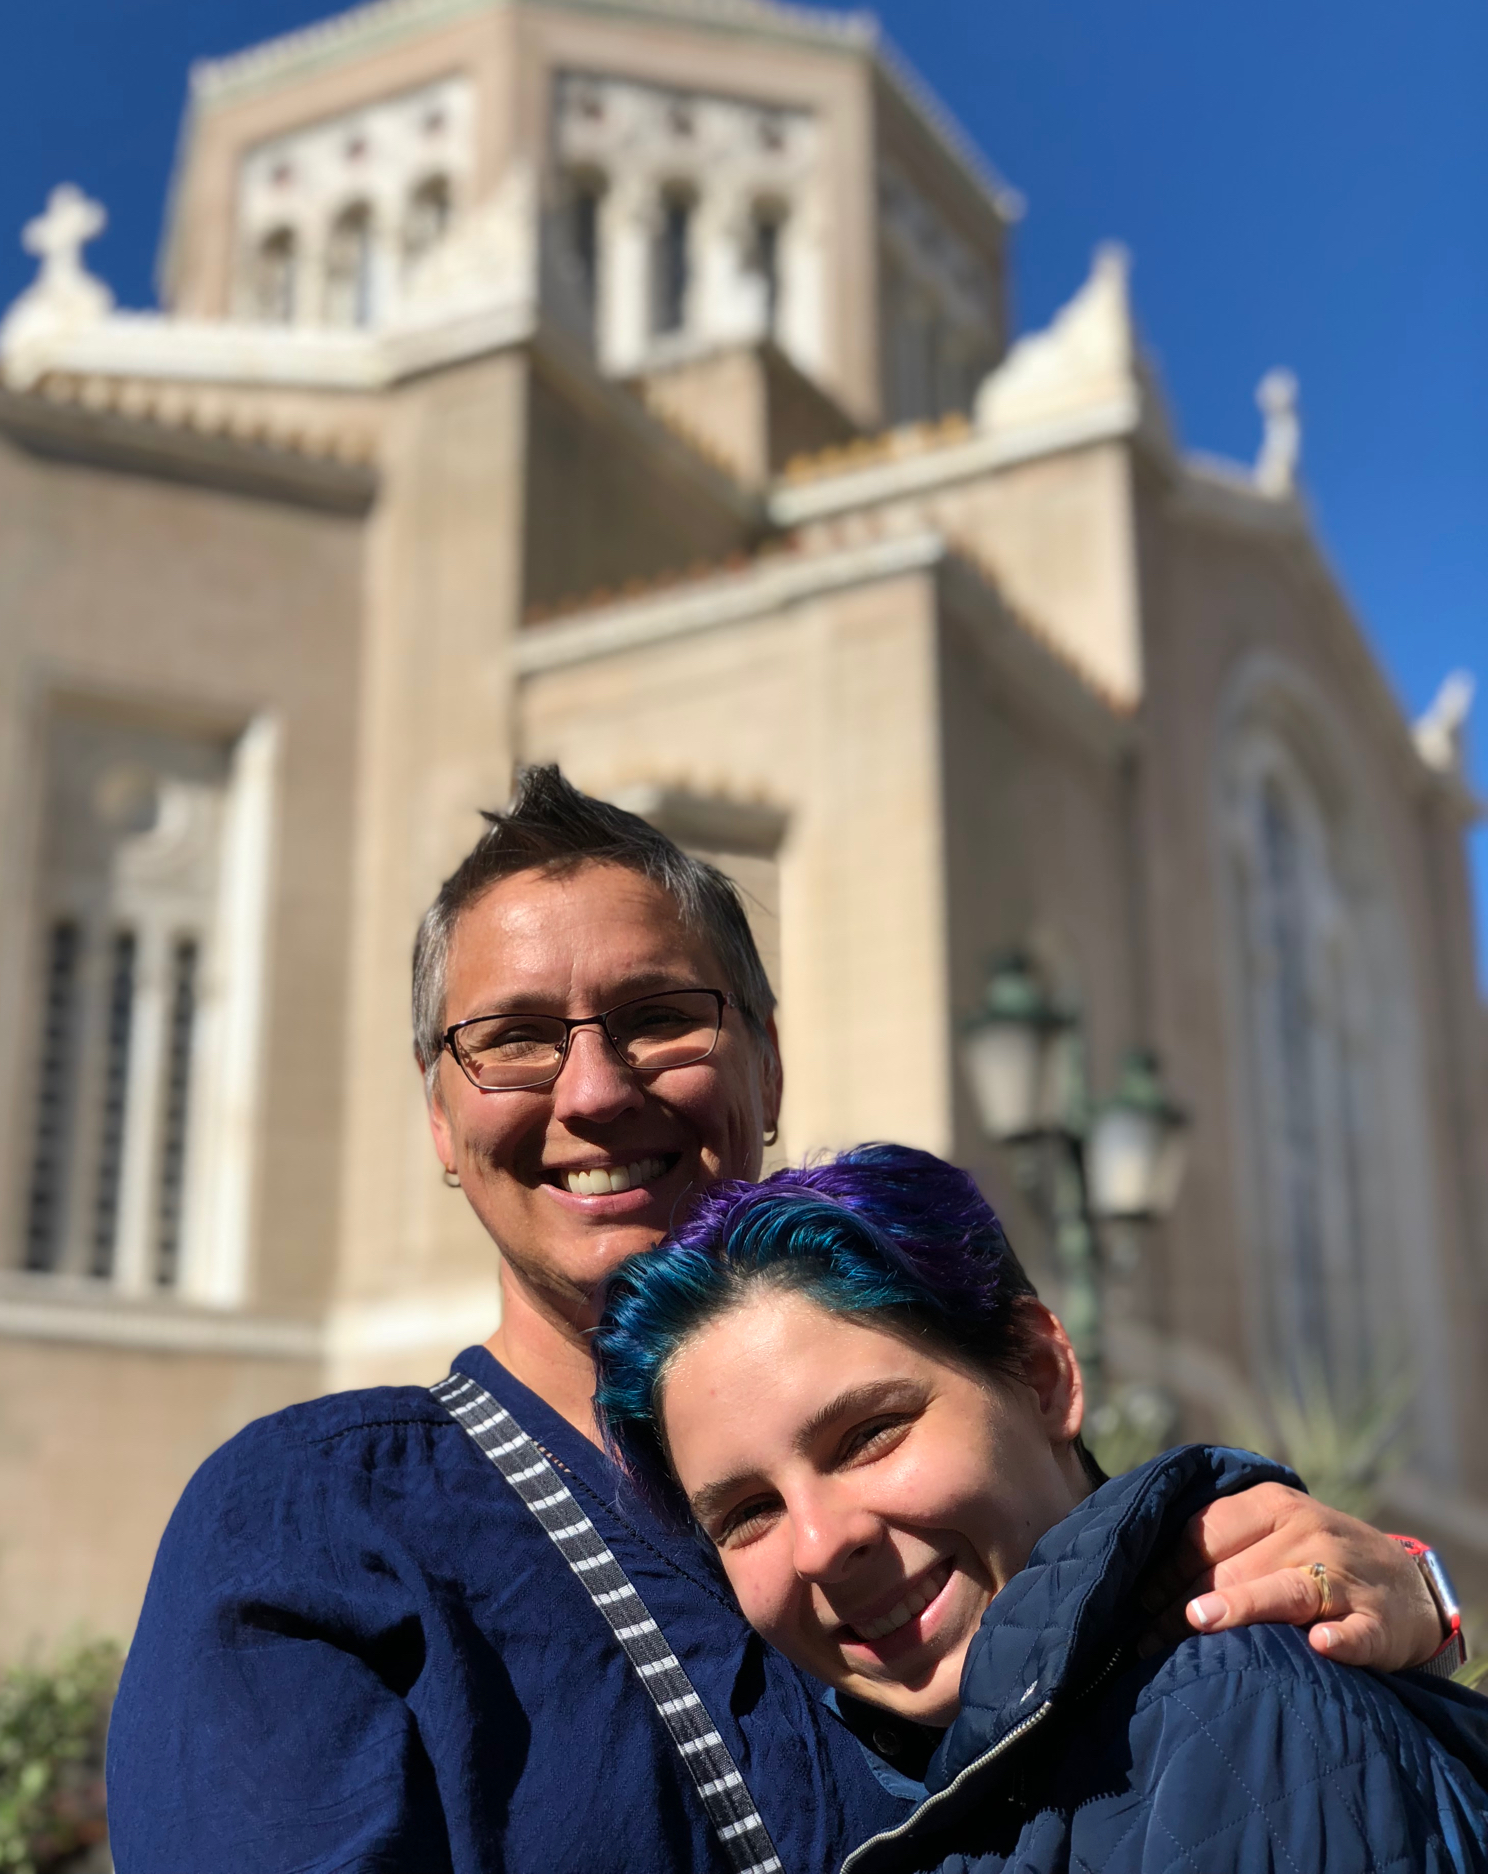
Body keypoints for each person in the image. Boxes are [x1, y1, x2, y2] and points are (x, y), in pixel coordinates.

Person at [107, 768, 1459, 1873]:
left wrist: (1398, 1610)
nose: (592, 1090)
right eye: (514, 1038)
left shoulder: (989, 1511)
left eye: (658, 1019)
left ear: (766, 1062)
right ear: (442, 1122)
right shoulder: (315, 1533)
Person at [595, 1145, 1488, 1874]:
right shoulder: (925, 1769)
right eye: (748, 1513)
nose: (822, 1546)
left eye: (871, 1435)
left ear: (1041, 1374)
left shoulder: (1214, 1715)